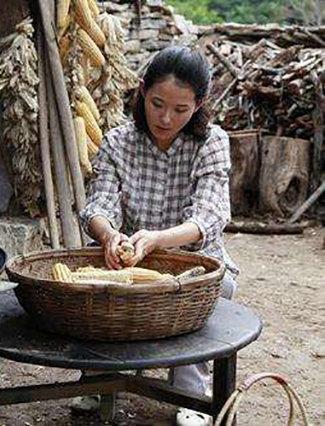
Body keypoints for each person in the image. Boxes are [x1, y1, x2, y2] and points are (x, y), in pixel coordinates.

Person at [79, 46, 238, 426]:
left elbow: (210, 216)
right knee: (102, 294)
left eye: (180, 110)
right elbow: (98, 206)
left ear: (199, 104)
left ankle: (190, 392)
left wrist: (157, 239)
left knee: (216, 291)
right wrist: (109, 237)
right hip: (129, 256)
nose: (165, 118)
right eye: (157, 103)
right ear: (141, 91)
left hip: (191, 259)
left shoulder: (211, 142)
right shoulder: (118, 141)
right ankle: (101, 381)